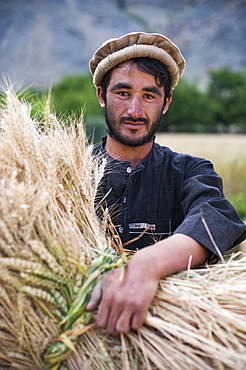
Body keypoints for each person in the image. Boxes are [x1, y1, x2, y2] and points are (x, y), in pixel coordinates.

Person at [86, 32, 246, 334]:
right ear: (101, 95)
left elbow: (213, 218)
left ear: (166, 102)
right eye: (122, 93)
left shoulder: (190, 170)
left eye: (149, 95)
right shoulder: (68, 171)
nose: (135, 110)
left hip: (170, 341)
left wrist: (146, 266)